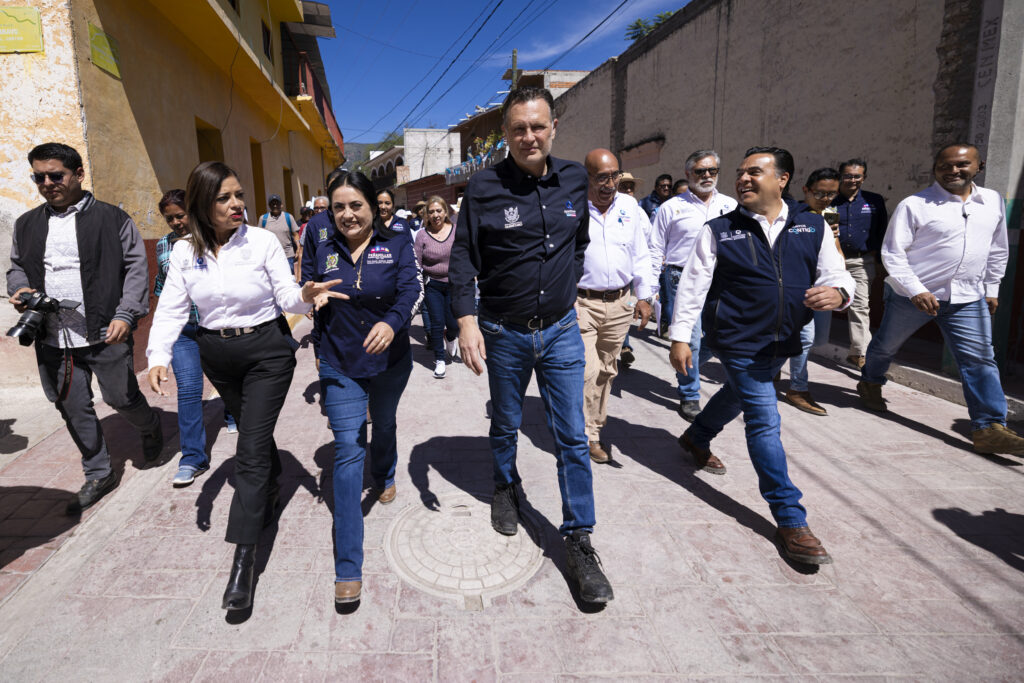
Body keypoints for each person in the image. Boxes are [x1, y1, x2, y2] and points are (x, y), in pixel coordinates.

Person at [146, 161, 341, 612]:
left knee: (249, 450)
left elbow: (286, 295)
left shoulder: (261, 241)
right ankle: (271, 485)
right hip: (217, 354)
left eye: (238, 195)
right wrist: (158, 356)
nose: (237, 204)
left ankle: (243, 560)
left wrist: (305, 296)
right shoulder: (184, 252)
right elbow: (172, 308)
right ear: (203, 204)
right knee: (256, 432)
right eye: (224, 198)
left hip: (267, 351)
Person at [449, 86, 614, 603]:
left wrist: (569, 290)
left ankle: (579, 538)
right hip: (503, 333)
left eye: (537, 126)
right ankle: (505, 484)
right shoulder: (483, 187)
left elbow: (579, 243)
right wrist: (467, 321)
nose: (529, 137)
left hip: (561, 330)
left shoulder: (574, 179)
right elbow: (463, 257)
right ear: (505, 133)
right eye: (518, 128)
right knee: (506, 421)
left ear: (553, 127)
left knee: (572, 437)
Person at [669, 146, 854, 564]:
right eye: (741, 172)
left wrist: (839, 293)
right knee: (764, 418)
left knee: (736, 394)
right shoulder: (720, 229)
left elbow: (837, 274)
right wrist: (680, 337)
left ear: (782, 179)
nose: (743, 179)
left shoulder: (812, 226)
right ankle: (790, 517)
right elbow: (693, 286)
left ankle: (697, 436)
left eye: (754, 172)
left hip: (783, 338)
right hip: (736, 338)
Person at [7, 142, 163, 515]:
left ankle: (149, 426)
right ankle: (99, 473)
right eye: (39, 177)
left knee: (121, 398)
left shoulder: (113, 219)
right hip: (52, 337)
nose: (47, 183)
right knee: (73, 407)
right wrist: (20, 289)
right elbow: (17, 267)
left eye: (55, 175)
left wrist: (126, 315)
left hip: (105, 332)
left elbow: (136, 268)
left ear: (78, 174)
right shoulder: (26, 224)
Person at [858, 143, 1024, 455]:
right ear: (935, 169)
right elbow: (893, 253)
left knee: (980, 360)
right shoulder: (915, 205)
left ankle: (989, 427)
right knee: (885, 346)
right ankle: (870, 381)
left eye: (961, 165)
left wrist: (992, 288)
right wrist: (916, 290)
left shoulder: (992, 201)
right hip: (914, 296)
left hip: (968, 297)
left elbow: (998, 248)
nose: (952, 171)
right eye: (944, 166)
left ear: (978, 166)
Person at [303, 170, 421, 604]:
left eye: (356, 205)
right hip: (340, 363)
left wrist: (392, 323)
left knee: (384, 423)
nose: (347, 214)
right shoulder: (323, 246)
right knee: (349, 451)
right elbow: (309, 293)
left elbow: (413, 291)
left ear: (373, 206)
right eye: (339, 207)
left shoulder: (398, 243)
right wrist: (310, 295)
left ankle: (385, 472)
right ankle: (348, 566)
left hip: (389, 361)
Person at [578, 149, 657, 463]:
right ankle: (587, 435)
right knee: (588, 371)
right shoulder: (572, 207)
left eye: (615, 176)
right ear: (587, 178)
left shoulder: (629, 206)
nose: (610, 184)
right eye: (602, 177)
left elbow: (641, 253)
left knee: (607, 371)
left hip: (620, 303)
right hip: (581, 302)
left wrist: (644, 297)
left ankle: (594, 426)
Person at [153, 189, 236, 485]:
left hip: (216, 326)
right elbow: (162, 286)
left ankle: (232, 412)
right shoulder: (163, 246)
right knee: (189, 389)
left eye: (181, 215)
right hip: (184, 331)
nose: (176, 222)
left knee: (228, 377)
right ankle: (192, 458)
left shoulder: (217, 239)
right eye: (170, 219)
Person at [650, 150, 737, 421]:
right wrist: (650, 289)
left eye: (712, 170)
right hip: (680, 277)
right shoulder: (671, 207)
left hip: (720, 279)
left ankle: (684, 364)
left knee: (720, 338)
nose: (707, 175)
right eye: (700, 171)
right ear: (688, 174)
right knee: (691, 339)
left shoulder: (731, 206)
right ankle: (689, 395)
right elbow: (655, 248)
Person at [782, 168, 844, 416]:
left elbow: (837, 254)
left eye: (832, 194)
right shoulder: (794, 215)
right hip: (793, 286)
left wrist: (833, 237)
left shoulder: (830, 216)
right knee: (803, 338)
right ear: (806, 190)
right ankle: (797, 388)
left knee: (814, 339)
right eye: (820, 193)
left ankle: (783, 377)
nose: (825, 199)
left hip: (819, 286)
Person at [831, 158, 888, 369]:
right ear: (840, 177)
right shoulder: (831, 201)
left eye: (857, 176)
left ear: (864, 178)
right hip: (831, 261)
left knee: (860, 305)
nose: (852, 180)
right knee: (816, 303)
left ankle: (860, 353)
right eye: (848, 176)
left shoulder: (874, 201)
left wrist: (880, 260)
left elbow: (881, 231)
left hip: (861, 262)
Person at [414, 195, 459, 378]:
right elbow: (416, 263)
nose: (435, 215)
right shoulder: (422, 235)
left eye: (438, 210)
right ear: (426, 215)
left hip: (454, 284)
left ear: (445, 211)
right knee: (437, 324)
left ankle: (451, 337)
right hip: (432, 285)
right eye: (431, 212)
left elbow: (463, 255)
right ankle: (439, 359)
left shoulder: (456, 230)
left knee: (454, 324)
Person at [257, 194, 299, 279]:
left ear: (281, 204)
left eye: (277, 203)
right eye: (272, 203)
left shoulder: (288, 217)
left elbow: (296, 235)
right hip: (271, 256)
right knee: (273, 280)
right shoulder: (263, 219)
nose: (275, 205)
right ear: (269, 205)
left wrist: (298, 249)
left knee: (289, 279)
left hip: (288, 256)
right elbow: (259, 237)